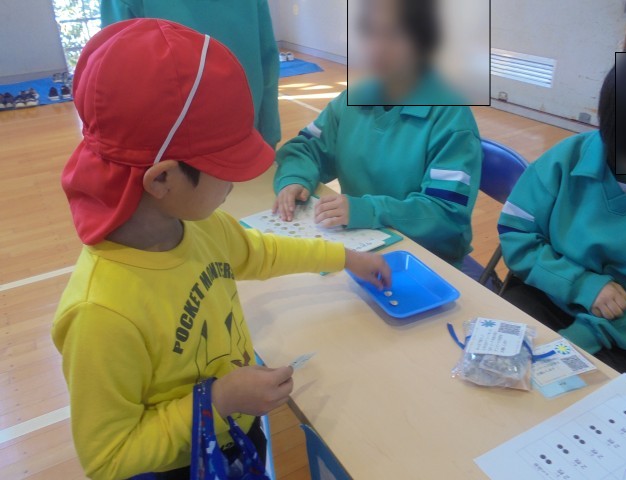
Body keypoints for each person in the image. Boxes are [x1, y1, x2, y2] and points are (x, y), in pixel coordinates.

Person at [52, 19, 390, 480]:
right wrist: (219, 401)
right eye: (225, 167)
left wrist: (346, 257)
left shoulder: (201, 228)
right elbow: (108, 457)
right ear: (162, 179)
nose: (236, 181)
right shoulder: (101, 314)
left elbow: (263, 252)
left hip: (236, 433)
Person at [272, 0, 482, 267]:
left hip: (427, 259)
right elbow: (306, 149)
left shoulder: (450, 119)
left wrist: (369, 210)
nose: (377, 48)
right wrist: (294, 178)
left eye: (395, 35)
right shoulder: (353, 99)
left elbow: (445, 214)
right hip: (361, 243)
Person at [498, 50, 626, 382]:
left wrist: (581, 337)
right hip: (547, 294)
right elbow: (516, 236)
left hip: (624, 330)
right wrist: (581, 285)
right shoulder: (565, 160)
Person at [101, 0, 281, 148]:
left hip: (173, 151)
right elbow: (268, 64)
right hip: (234, 139)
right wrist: (268, 136)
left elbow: (116, 82)